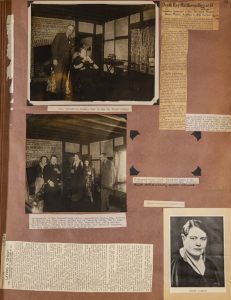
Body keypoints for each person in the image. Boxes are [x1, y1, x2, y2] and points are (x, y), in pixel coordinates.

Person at [171, 219, 221, 287]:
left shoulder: (211, 265)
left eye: (203, 239)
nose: (198, 244)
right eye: (193, 238)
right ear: (184, 238)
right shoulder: (173, 263)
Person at [51, 25, 75, 99]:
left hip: (67, 61)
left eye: (71, 30)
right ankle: (58, 93)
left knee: (64, 77)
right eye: (69, 29)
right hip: (59, 60)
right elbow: (54, 46)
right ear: (66, 29)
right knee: (58, 76)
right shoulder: (60, 35)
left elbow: (70, 51)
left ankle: (63, 91)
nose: (69, 31)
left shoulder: (71, 39)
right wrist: (54, 58)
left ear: (72, 32)